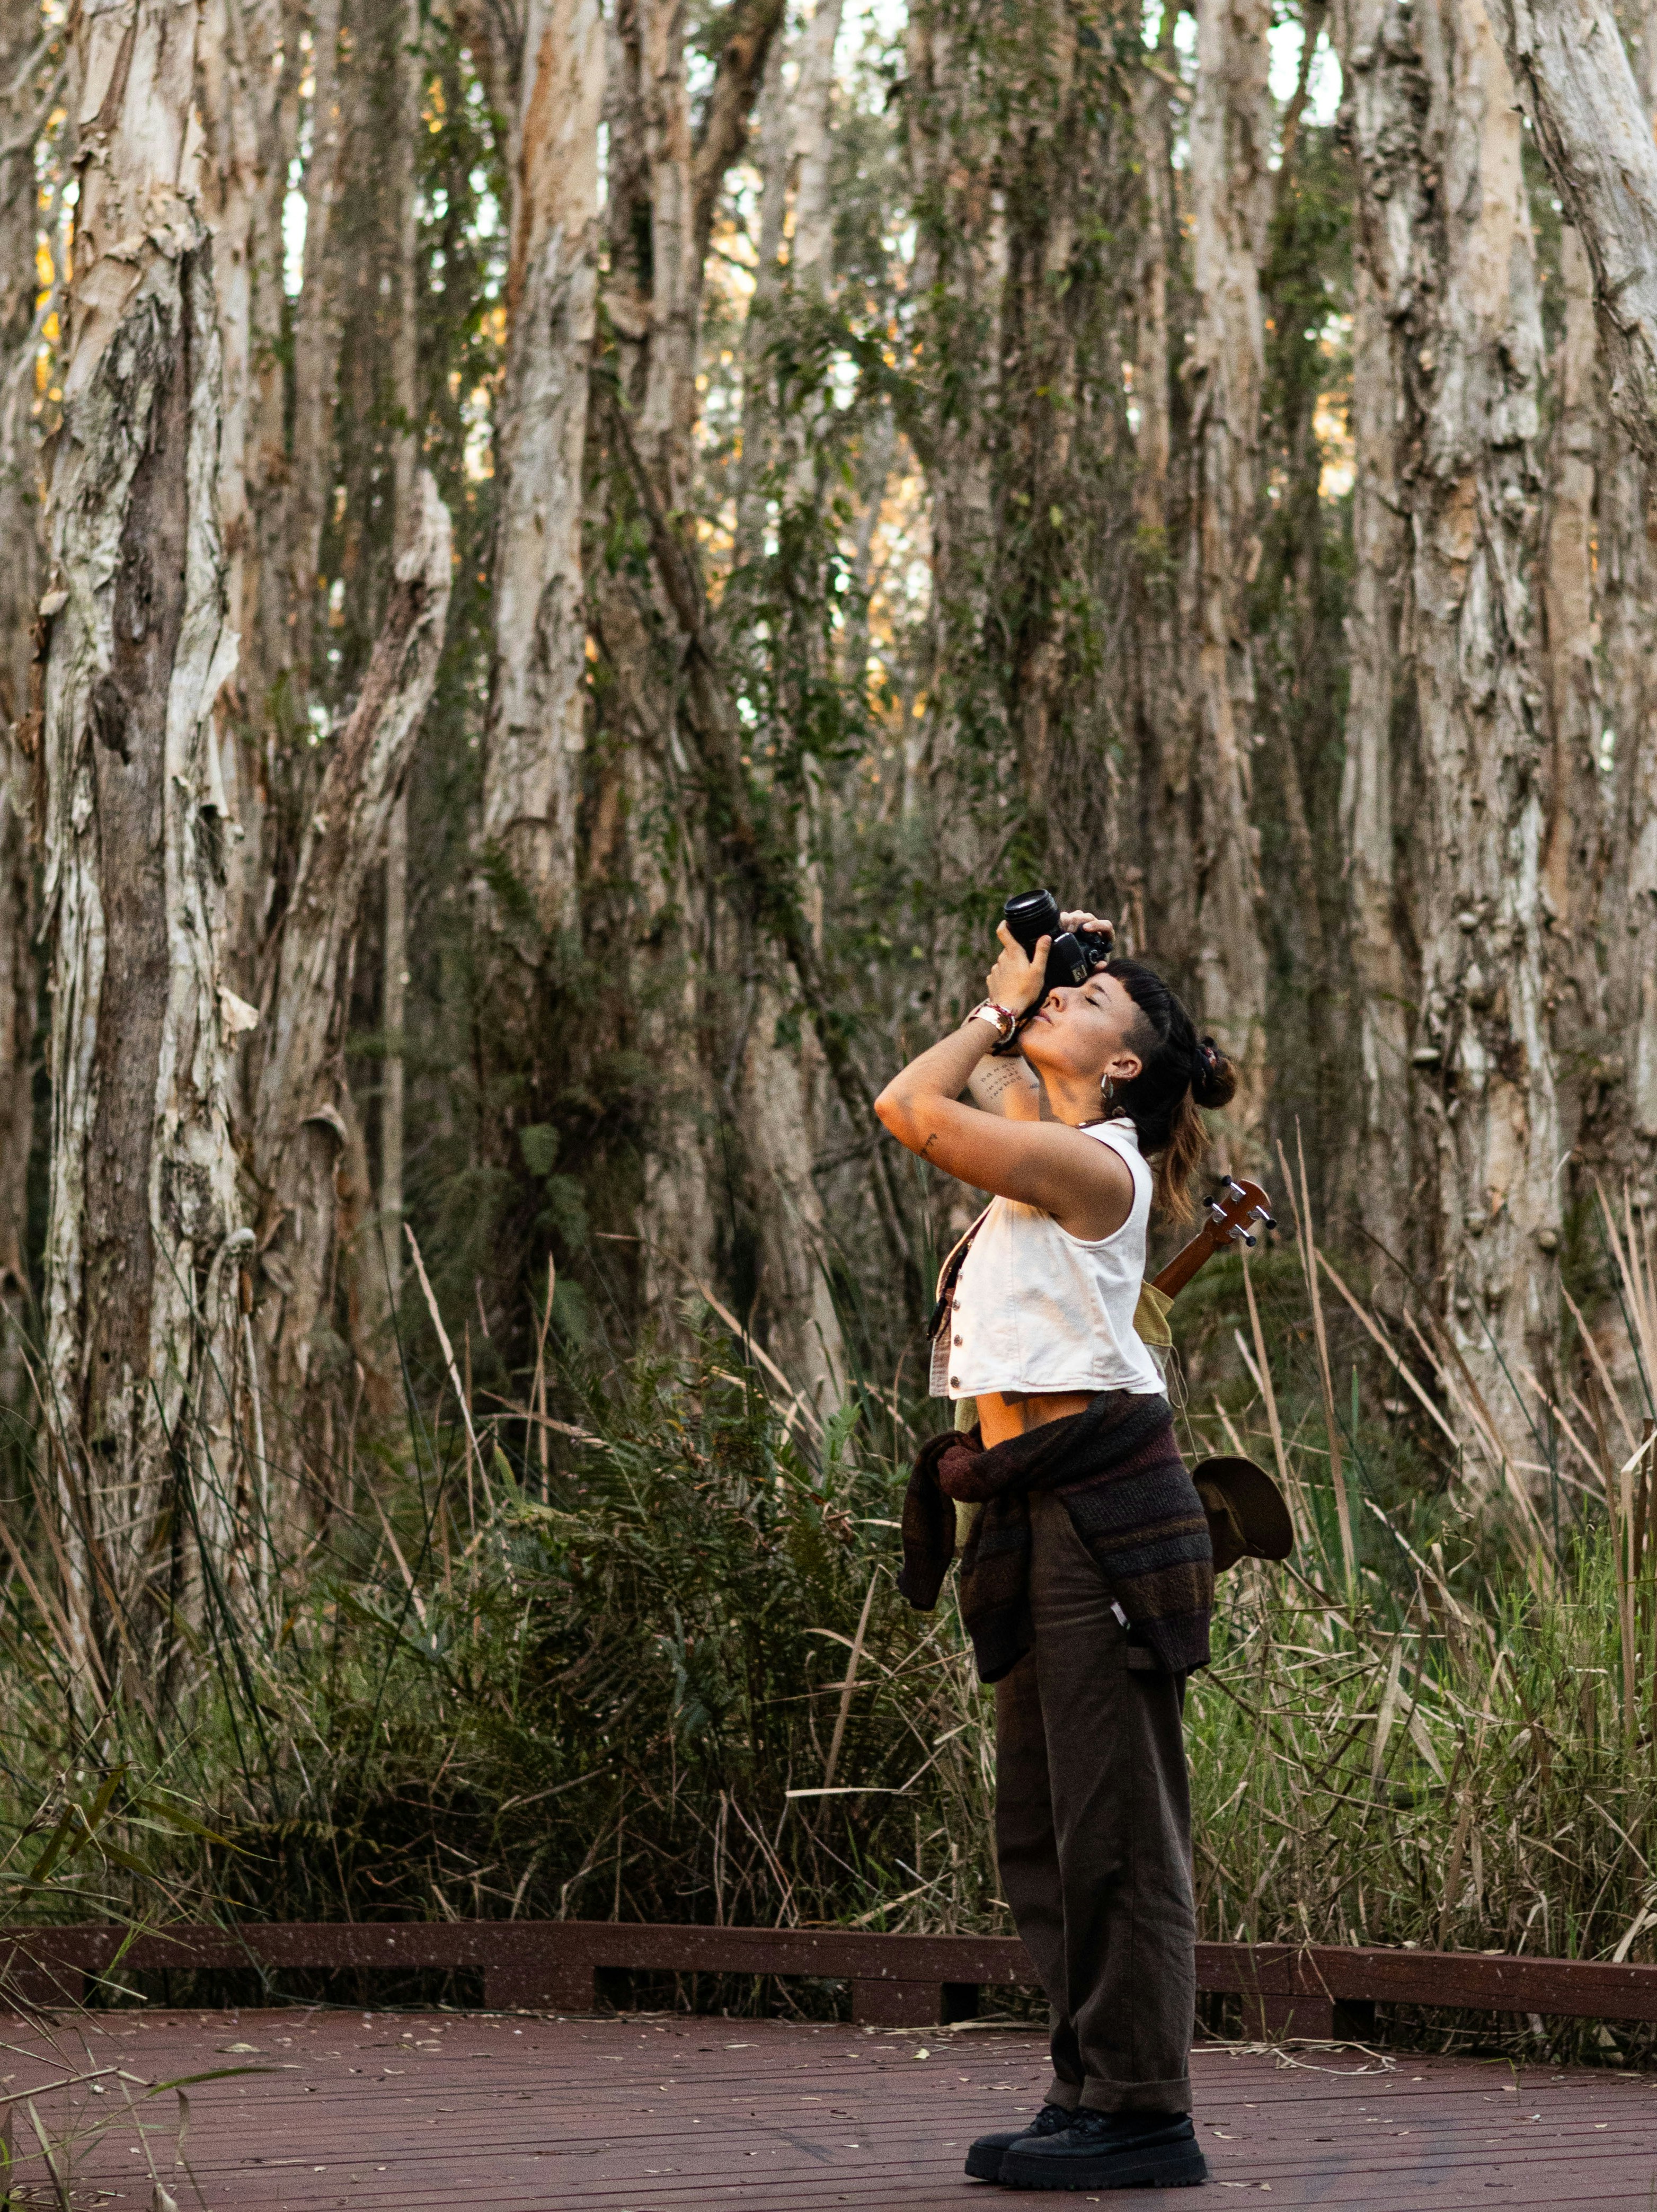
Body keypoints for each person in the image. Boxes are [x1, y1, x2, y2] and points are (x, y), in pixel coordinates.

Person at [875, 910, 1236, 2194]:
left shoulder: (1102, 1169)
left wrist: (994, 1013)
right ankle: (1088, 2088)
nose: (1059, 1007)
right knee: (1042, 1822)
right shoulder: (1050, 1134)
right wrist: (1025, 987)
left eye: (1092, 1005)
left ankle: (1143, 2107)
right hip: (1030, 1504)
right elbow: (981, 1089)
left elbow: (912, 1106)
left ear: (1128, 1066)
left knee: (1117, 1827)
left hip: (1101, 1513)